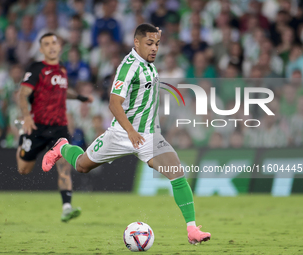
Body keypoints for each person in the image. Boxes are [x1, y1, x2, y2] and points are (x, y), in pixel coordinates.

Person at [42, 24, 211, 244]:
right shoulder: (128, 67)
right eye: (149, 44)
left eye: (157, 44)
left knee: (177, 173)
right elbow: (114, 103)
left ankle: (192, 230)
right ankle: (62, 146)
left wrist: (155, 34)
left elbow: (148, 45)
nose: (154, 49)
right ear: (136, 43)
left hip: (149, 136)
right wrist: (130, 131)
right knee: (82, 166)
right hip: (121, 134)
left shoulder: (148, 62)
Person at [17, 32, 92, 222]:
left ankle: (67, 207)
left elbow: (63, 92)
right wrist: (26, 117)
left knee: (64, 166)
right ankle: (21, 138)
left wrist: (81, 97)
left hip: (59, 127)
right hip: (37, 126)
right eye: (47, 44)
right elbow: (23, 94)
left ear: (59, 47)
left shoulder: (63, 70)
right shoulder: (36, 69)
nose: (51, 46)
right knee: (24, 169)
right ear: (41, 49)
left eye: (54, 43)